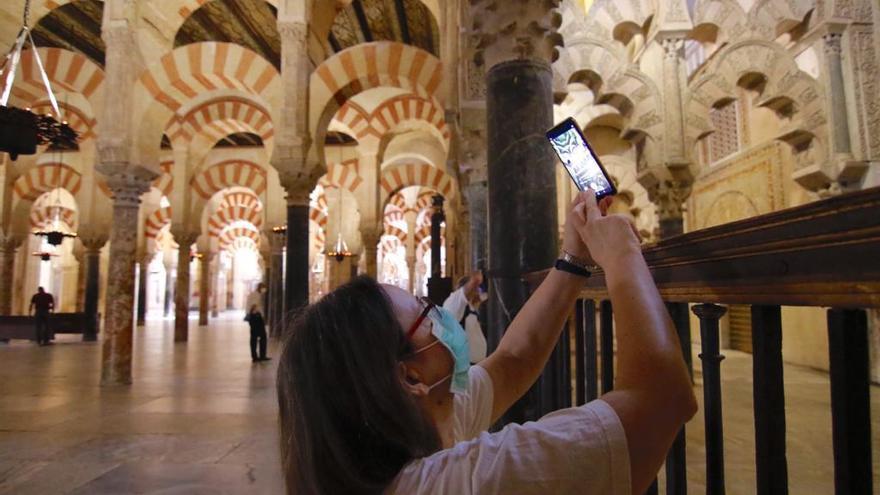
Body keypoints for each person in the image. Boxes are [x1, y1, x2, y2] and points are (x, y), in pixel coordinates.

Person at [277, 191, 697, 494]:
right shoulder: (476, 481)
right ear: (409, 377)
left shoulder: (401, 438)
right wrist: (623, 254)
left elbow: (513, 360)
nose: (442, 315)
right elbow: (660, 400)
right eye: (426, 312)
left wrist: (574, 259)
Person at [442, 271, 488, 364]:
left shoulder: (469, 305)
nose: (478, 292)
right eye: (477, 289)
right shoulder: (454, 302)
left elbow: (485, 296)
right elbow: (472, 285)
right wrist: (476, 279)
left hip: (475, 363)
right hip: (465, 365)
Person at [245, 283, 270, 363]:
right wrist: (254, 313)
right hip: (256, 317)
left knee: (254, 337)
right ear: (261, 288)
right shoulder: (256, 295)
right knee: (262, 336)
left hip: (254, 317)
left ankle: (255, 356)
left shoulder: (253, 294)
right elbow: (254, 305)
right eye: (264, 288)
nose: (264, 290)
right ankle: (260, 356)